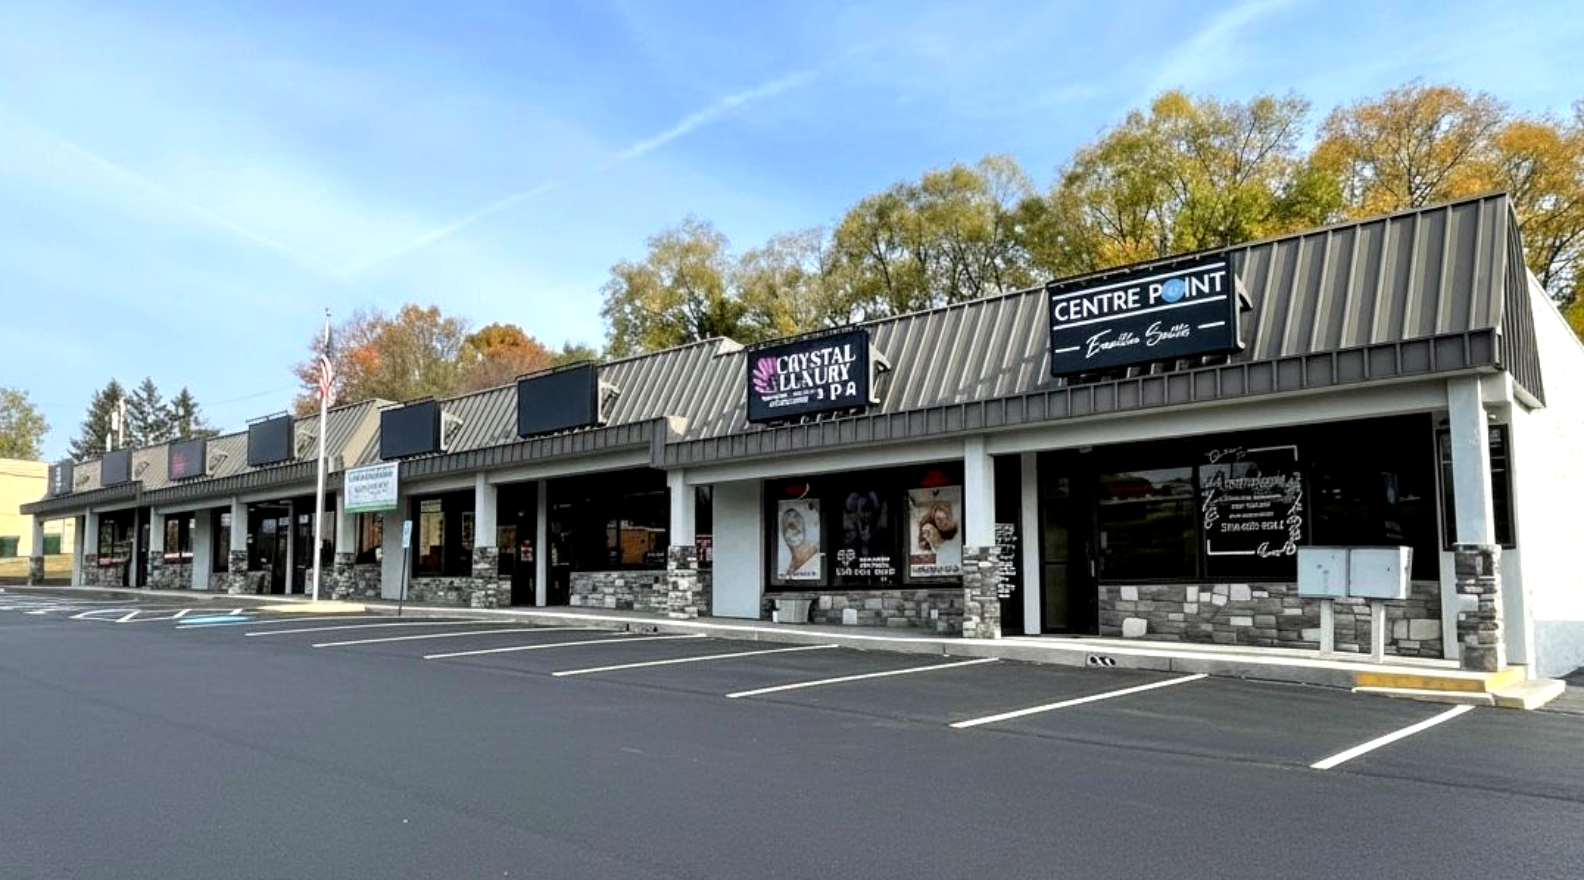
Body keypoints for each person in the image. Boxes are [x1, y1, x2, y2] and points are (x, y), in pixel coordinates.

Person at [781, 506, 818, 576]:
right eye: (789, 524)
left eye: (796, 517)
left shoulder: (818, 552)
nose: (791, 528)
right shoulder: (788, 568)